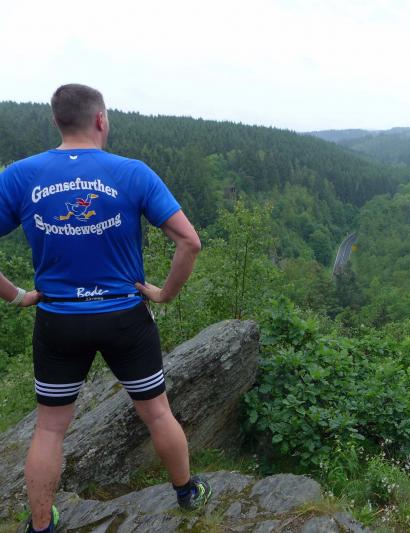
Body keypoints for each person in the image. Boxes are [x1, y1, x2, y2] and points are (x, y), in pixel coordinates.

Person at [0, 84, 210, 532]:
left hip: (58, 319)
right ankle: (187, 493)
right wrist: (165, 294)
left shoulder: (20, 176)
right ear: (100, 119)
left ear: (56, 121)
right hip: (124, 317)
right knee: (157, 412)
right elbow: (189, 241)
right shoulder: (132, 173)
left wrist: (16, 295)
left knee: (49, 429)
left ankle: (41, 525)